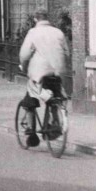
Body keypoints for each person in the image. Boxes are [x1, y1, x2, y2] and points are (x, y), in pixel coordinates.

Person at [19, 9, 71, 148]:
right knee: (54, 96)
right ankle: (54, 122)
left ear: (36, 19)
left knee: (30, 98)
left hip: (40, 74)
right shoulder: (58, 32)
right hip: (58, 73)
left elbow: (24, 55)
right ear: (47, 18)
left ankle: (31, 131)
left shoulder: (33, 33)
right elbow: (67, 52)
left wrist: (24, 67)